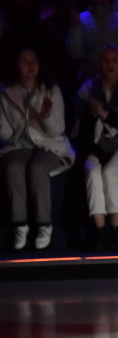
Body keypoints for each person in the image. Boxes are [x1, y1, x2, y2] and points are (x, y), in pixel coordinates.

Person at [71, 44, 118, 251]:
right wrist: (92, 115)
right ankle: (99, 231)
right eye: (105, 60)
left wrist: (104, 114)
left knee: (110, 172)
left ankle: (115, 231)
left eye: (114, 60)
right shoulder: (88, 89)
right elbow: (79, 125)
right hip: (94, 145)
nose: (109, 65)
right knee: (92, 171)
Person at [0, 48, 75, 250]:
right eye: (25, 61)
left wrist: (45, 117)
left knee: (37, 168)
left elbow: (58, 129)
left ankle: (44, 225)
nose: (30, 65)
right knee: (13, 167)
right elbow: (6, 134)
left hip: (50, 144)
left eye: (34, 61)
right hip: (19, 144)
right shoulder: (6, 91)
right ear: (16, 65)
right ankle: (19, 225)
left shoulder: (51, 89)